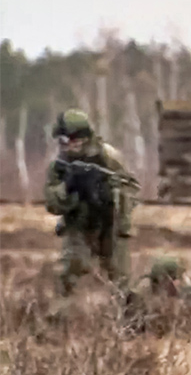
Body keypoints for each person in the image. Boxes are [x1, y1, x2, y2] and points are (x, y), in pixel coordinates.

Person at [44, 109, 139, 311]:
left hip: (111, 223)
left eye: (73, 140)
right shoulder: (59, 167)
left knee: (121, 279)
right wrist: (68, 188)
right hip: (78, 224)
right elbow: (52, 204)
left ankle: (132, 322)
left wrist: (109, 193)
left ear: (85, 138)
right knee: (68, 275)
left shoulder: (108, 156)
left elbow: (131, 188)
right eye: (63, 141)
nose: (69, 146)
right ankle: (58, 322)